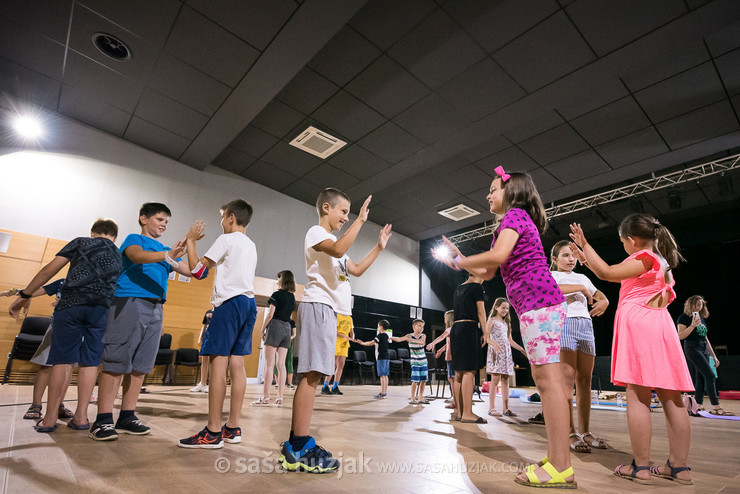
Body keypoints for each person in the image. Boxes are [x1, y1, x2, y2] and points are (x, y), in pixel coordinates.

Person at [437, 167, 573, 488]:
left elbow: (496, 256)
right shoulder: (509, 224)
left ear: (511, 192)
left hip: (539, 302)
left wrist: (460, 262)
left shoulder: (515, 216)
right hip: (533, 304)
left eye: (493, 189)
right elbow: (488, 271)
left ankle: (561, 465)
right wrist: (460, 259)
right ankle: (556, 458)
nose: (488, 195)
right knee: (545, 381)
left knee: (548, 383)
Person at [569, 214, 694, 485]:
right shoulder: (662, 262)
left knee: (637, 395)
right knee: (672, 397)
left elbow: (607, 273)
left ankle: (640, 467)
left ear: (633, 240)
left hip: (640, 324)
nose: (624, 245)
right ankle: (679, 467)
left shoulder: (643, 258)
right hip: (662, 324)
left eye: (623, 241)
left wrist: (587, 246)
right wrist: (586, 258)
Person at [279, 188, 391, 473]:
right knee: (312, 374)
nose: (346, 217)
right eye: (343, 211)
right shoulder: (316, 233)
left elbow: (356, 269)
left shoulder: (335, 246)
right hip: (317, 305)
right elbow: (340, 248)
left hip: (330, 312)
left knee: (315, 374)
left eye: (349, 214)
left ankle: (296, 444)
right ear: (326, 208)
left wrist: (379, 247)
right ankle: (299, 445)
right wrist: (361, 221)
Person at [9, 219, 122, 433]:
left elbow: (48, 270)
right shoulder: (118, 254)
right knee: (90, 362)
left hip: (71, 306)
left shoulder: (80, 242)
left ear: (92, 233)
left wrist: (25, 294)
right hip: (100, 310)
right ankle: (81, 418)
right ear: (115, 237)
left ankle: (50, 418)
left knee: (62, 360)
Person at [90, 203, 191, 441]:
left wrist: (193, 244)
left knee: (141, 366)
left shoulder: (167, 250)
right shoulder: (134, 239)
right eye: (159, 219)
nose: (163, 224)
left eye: (166, 221)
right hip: (129, 301)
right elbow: (137, 256)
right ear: (143, 219)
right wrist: (168, 255)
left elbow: (192, 271)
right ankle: (103, 419)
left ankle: (127, 416)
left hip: (156, 307)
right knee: (116, 360)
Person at [178, 200, 258, 448]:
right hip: (249, 304)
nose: (221, 223)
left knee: (219, 363)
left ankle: (212, 432)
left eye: (222, 218)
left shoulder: (227, 239)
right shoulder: (251, 245)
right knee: (237, 364)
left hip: (229, 305)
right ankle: (232, 428)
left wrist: (191, 241)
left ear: (231, 217)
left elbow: (198, 272)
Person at [550, 240, 610, 452]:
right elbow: (553, 289)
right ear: (555, 259)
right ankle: (570, 432)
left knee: (585, 380)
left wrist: (604, 301)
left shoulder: (583, 277)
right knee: (567, 382)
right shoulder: (553, 275)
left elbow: (599, 295)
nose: (571, 259)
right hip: (565, 324)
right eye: (565, 255)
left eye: (573, 255)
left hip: (586, 325)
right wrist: (581, 288)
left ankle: (585, 431)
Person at [3, 281, 76, 421]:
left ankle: (59, 404)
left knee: (68, 367)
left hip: (79, 329)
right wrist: (17, 292)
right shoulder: (63, 282)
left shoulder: (91, 281)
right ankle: (36, 405)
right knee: (46, 366)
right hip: (59, 326)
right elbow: (37, 290)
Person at [677, 296, 732, 415]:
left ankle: (698, 405)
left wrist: (714, 356)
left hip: (703, 348)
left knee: (701, 377)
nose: (699, 307)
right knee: (710, 375)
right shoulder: (684, 318)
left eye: (700, 305)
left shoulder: (701, 319)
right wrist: (692, 325)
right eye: (697, 305)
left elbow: (705, 338)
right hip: (692, 347)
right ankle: (716, 406)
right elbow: (680, 336)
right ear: (691, 305)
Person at [253, 270, 296, 407]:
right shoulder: (292, 297)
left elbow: (270, 315)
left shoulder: (276, 294)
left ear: (282, 279)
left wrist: (262, 329)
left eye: (278, 278)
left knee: (269, 364)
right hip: (287, 328)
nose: (277, 281)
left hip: (276, 325)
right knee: (281, 365)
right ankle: (280, 397)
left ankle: (266, 397)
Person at [486, 297, 526, 417]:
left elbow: (510, 340)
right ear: (496, 307)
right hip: (496, 353)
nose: (505, 310)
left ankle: (506, 408)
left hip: (506, 353)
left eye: (507, 308)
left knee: (505, 380)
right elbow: (487, 338)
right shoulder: (492, 320)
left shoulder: (505, 323)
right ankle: (491, 408)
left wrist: (521, 349)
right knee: (495, 380)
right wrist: (495, 345)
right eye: (503, 308)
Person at [391, 319, 427, 404]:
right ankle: (412, 398)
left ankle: (420, 398)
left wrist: (412, 340)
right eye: (419, 326)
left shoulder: (423, 336)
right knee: (415, 381)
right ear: (414, 326)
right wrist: (392, 338)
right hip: (415, 362)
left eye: (422, 326)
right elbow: (400, 339)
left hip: (423, 361)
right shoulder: (409, 335)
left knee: (423, 380)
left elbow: (422, 342)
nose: (421, 328)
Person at [355, 319, 392, 399]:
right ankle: (384, 392)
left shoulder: (380, 336)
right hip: (386, 357)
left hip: (381, 357)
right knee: (385, 375)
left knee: (382, 376)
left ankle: (382, 393)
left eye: (378, 326)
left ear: (381, 327)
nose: (378, 328)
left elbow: (371, 343)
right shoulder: (386, 336)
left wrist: (362, 343)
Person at [427, 310, 456, 410]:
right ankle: (456, 401)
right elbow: (448, 343)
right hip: (451, 357)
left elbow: (441, 337)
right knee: (452, 379)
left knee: (452, 380)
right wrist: (440, 350)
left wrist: (433, 343)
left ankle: (456, 402)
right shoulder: (455, 329)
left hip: (452, 358)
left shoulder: (449, 329)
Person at [321, 313, 355, 396]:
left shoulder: (350, 318)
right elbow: (333, 331)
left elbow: (351, 331)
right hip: (336, 342)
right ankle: (325, 386)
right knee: (334, 364)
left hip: (344, 343)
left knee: (341, 365)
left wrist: (352, 338)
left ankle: (335, 386)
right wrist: (344, 336)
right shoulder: (337, 316)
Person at [190, 308, 213, 393]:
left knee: (212, 363)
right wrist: (200, 338)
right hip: (206, 338)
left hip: (214, 338)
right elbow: (204, 325)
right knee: (204, 361)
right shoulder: (208, 312)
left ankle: (211, 384)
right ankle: (202, 383)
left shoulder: (220, 311)